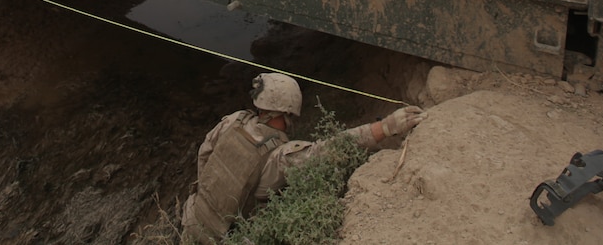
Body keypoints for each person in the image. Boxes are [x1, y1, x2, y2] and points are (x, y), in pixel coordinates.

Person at [181, 72, 425, 243]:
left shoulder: (234, 120)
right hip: (224, 237)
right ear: (287, 115)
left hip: (192, 220)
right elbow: (328, 151)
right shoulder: (281, 158)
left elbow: (205, 155)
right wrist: (385, 127)